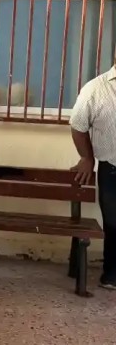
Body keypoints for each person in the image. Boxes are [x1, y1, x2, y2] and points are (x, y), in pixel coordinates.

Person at [69, 58, 116, 290]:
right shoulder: (96, 89)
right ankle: (112, 275)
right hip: (112, 169)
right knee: (114, 223)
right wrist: (87, 157)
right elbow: (78, 126)